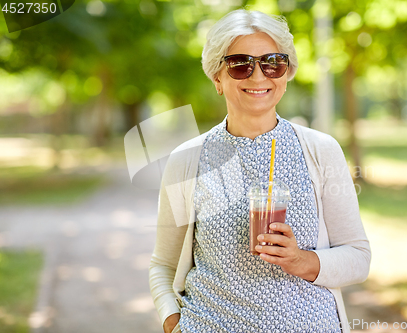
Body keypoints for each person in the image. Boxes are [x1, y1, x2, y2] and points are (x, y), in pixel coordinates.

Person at [149, 9, 371, 333]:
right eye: (240, 64)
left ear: (286, 73)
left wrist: (301, 260)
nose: (258, 76)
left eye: (272, 63)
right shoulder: (187, 160)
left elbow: (358, 257)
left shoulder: (321, 151)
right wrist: (173, 321)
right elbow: (163, 265)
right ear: (217, 78)